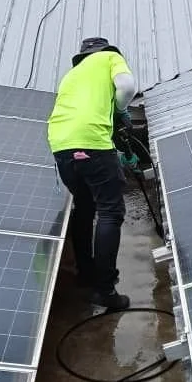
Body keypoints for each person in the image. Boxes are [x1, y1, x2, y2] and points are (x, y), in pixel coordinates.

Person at [48, 37, 137, 310]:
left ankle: (85, 274)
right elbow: (127, 86)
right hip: (92, 144)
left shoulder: (71, 75)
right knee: (110, 212)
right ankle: (105, 290)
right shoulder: (110, 58)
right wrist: (121, 109)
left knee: (84, 206)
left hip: (60, 146)